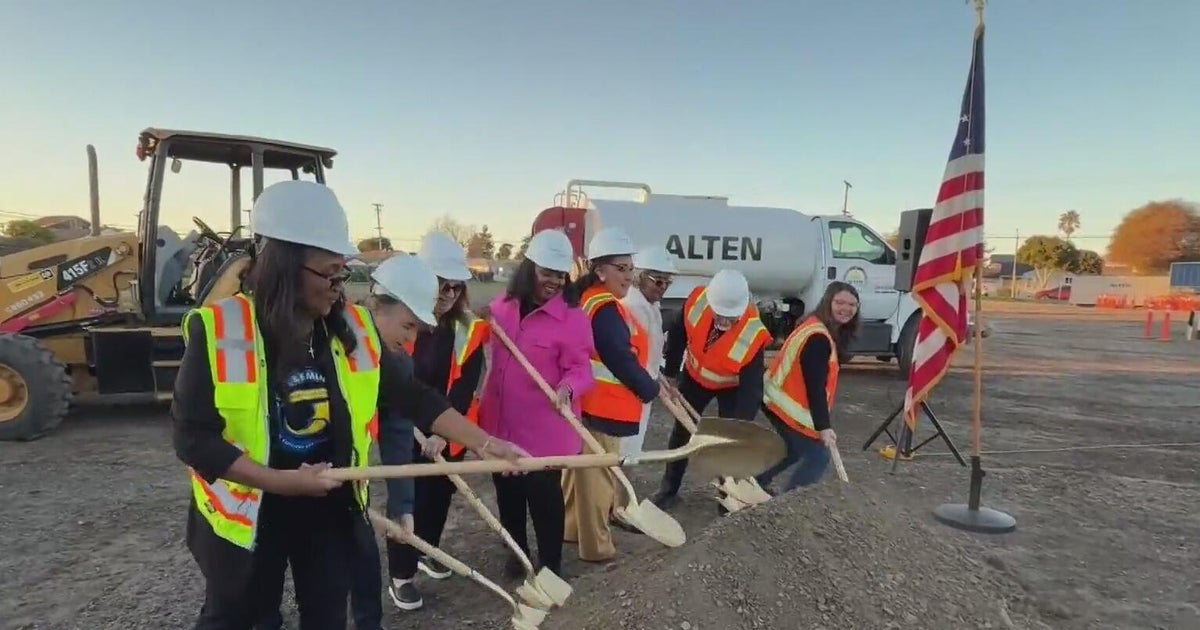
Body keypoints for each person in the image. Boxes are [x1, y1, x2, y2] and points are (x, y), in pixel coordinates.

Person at [172, 180, 527, 630]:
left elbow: (411, 396)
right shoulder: (219, 329)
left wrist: (485, 442)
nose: (340, 288)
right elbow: (192, 438)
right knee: (241, 618)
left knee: (326, 616)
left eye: (344, 274)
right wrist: (278, 481)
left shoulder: (352, 328)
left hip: (327, 507)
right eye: (331, 274)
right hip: (249, 514)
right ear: (284, 264)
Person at [478, 228, 595, 579]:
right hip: (500, 424)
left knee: (543, 499)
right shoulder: (502, 308)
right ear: (530, 269)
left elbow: (581, 369)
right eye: (547, 273)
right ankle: (516, 554)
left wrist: (568, 389)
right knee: (508, 494)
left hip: (545, 430)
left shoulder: (573, 318)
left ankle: (551, 564)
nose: (554, 282)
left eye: (560, 274)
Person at [383, 233, 490, 611]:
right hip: (403, 427)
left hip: (447, 428)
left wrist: (443, 435)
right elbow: (399, 386)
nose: (447, 293)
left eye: (455, 287)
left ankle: (429, 551)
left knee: (440, 495)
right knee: (407, 499)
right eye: (440, 284)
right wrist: (420, 430)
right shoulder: (399, 323)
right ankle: (402, 575)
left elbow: (463, 385)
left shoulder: (468, 330)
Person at [562, 227, 660, 562]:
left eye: (631, 269)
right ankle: (597, 548)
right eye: (622, 269)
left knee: (581, 478)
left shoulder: (591, 299)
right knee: (599, 483)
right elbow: (618, 357)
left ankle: (572, 530)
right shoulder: (604, 308)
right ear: (600, 270)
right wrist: (649, 388)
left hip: (590, 405)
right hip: (604, 407)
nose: (629, 276)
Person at [652, 268, 773, 510]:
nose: (724, 321)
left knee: (725, 442)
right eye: (719, 315)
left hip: (731, 387)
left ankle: (725, 497)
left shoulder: (753, 333)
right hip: (695, 378)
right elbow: (677, 333)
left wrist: (739, 426)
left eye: (730, 318)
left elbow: (751, 391)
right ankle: (668, 490)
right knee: (681, 433)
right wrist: (673, 374)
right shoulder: (697, 302)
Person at [756, 282, 860, 492]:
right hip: (785, 406)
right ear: (828, 302)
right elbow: (815, 387)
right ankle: (789, 506)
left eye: (852, 304)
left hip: (775, 399)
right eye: (839, 302)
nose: (846, 309)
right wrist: (824, 427)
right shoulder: (818, 339)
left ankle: (753, 483)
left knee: (792, 450)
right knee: (818, 457)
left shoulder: (815, 326)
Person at [618, 246, 677, 457]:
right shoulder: (632, 306)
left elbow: (649, 353)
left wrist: (660, 379)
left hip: (643, 388)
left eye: (667, 282)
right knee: (624, 452)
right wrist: (651, 382)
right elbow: (630, 356)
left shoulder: (650, 306)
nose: (663, 287)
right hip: (629, 392)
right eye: (658, 281)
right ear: (638, 277)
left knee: (632, 449)